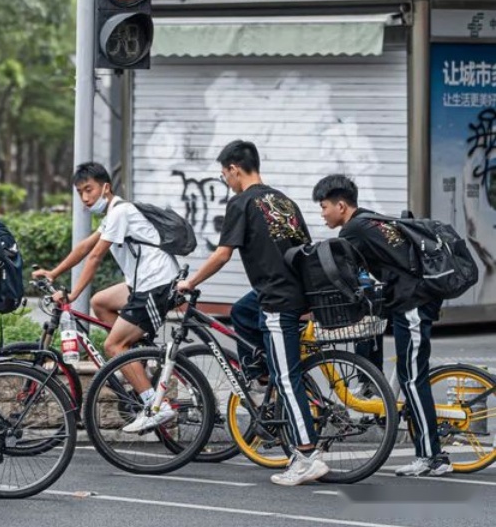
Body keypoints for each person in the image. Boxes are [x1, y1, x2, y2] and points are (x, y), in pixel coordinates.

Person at [176, 140, 329, 487]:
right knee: (241, 311)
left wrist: (191, 282)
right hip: (288, 292)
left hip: (278, 300)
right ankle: (260, 374)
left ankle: (307, 455)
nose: (225, 180)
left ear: (234, 169)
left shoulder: (241, 202)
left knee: (286, 377)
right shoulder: (282, 201)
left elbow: (222, 254)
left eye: (224, 174)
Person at [312, 174, 450, 477]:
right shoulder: (367, 222)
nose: (321, 214)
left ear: (341, 205)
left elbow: (330, 269)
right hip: (409, 300)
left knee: (412, 377)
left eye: (323, 207)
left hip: (413, 301)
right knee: (408, 373)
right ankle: (427, 450)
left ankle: (433, 457)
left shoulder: (354, 230)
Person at [32, 162, 180, 432]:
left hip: (157, 284)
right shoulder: (114, 214)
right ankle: (135, 359)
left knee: (113, 347)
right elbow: (84, 247)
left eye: (89, 189)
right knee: (100, 302)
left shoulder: (121, 212)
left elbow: (96, 255)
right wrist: (53, 272)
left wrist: (73, 294)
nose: (85, 198)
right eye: (80, 192)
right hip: (141, 284)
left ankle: (156, 405)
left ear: (106, 187)